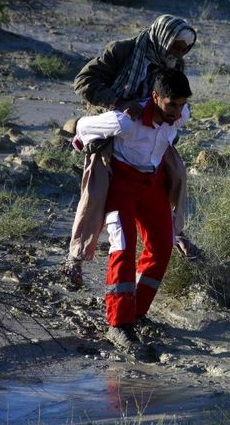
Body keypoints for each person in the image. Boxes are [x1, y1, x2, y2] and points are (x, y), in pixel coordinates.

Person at [64, 14, 199, 288]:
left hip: (153, 133)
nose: (178, 52)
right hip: (113, 130)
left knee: (177, 177)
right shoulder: (123, 51)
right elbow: (83, 82)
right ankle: (74, 259)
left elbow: (173, 97)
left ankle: (176, 233)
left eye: (183, 48)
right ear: (162, 36)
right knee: (94, 195)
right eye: (175, 45)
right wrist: (119, 102)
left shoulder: (173, 63)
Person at [72, 67, 191, 354]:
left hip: (153, 187)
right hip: (121, 189)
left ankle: (136, 311)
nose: (178, 112)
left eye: (182, 104)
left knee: (162, 246)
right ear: (155, 97)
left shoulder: (181, 116)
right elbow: (82, 128)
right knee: (122, 248)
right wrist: (87, 144)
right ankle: (118, 324)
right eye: (171, 104)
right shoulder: (125, 122)